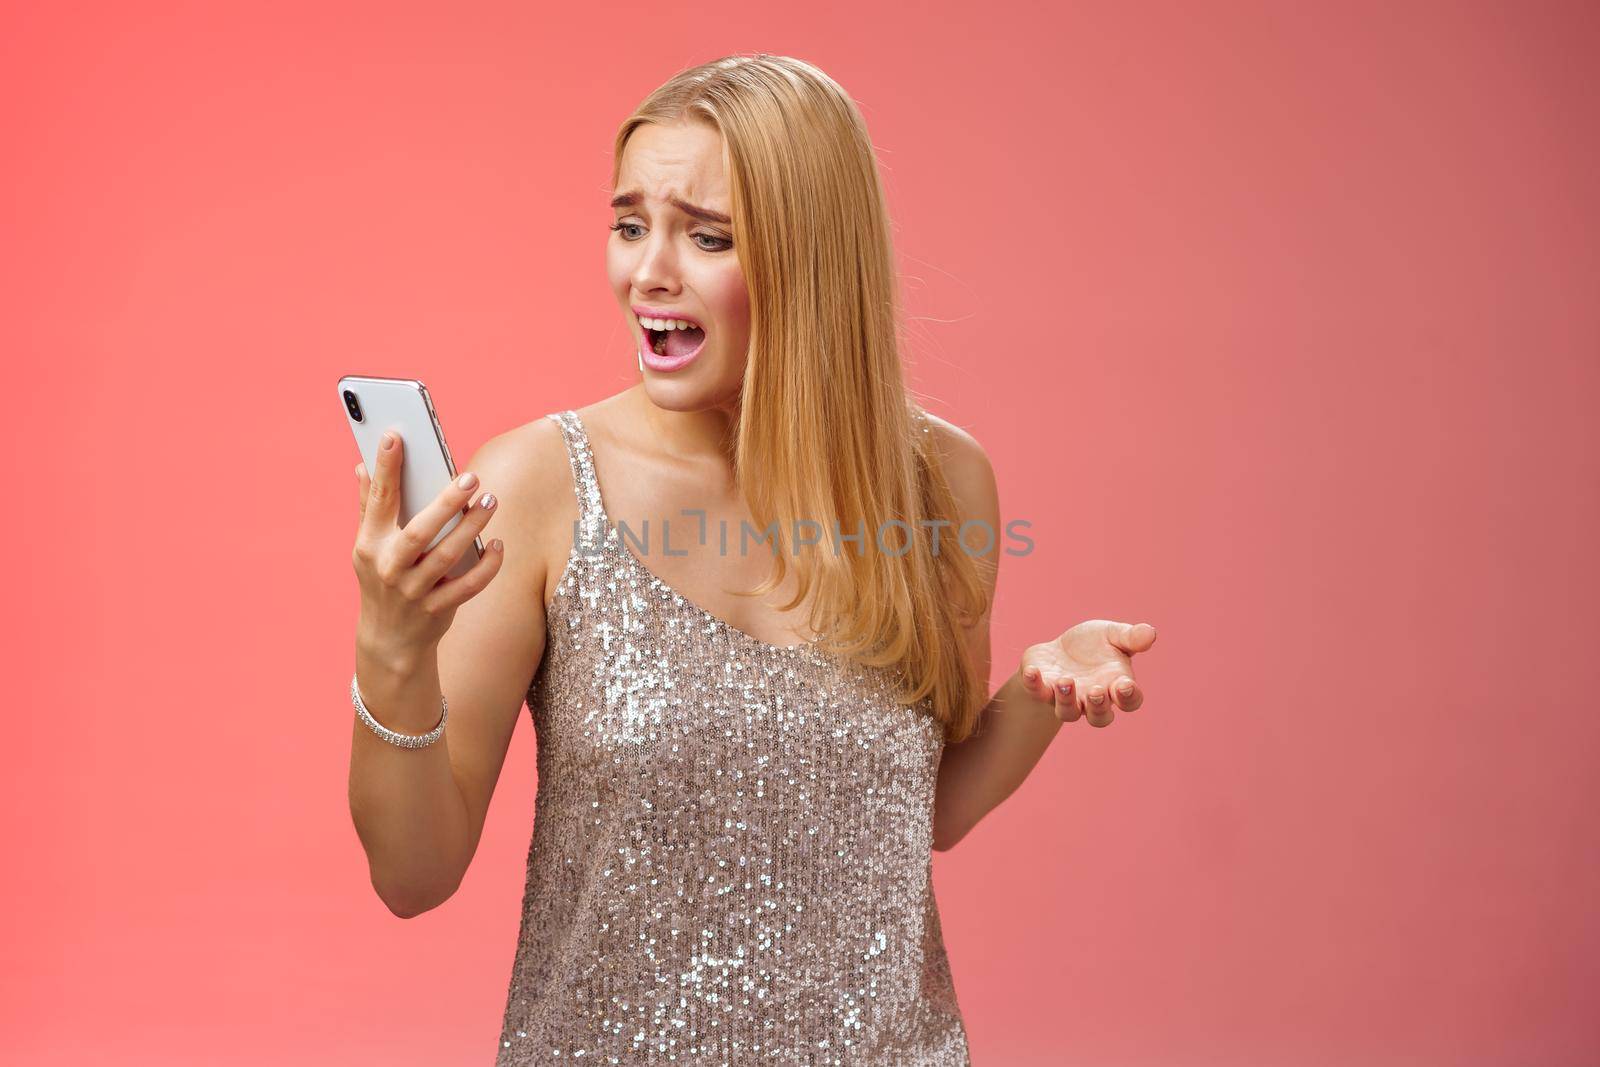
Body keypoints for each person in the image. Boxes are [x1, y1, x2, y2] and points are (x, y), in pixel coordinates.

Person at [346, 53, 1158, 1066]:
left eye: (708, 236)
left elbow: (916, 816)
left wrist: (1040, 695)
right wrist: (392, 646)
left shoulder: (940, 485)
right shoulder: (544, 484)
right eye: (631, 222)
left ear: (814, 257)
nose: (648, 271)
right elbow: (411, 875)